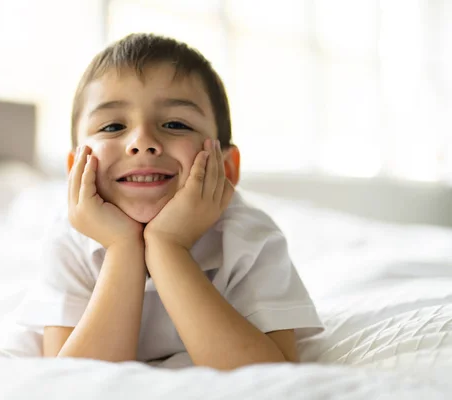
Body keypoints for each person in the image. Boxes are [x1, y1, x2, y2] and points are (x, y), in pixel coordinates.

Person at [16, 33, 323, 370]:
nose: (142, 141)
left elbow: (274, 376)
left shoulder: (249, 237)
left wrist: (167, 246)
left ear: (226, 168)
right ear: (75, 170)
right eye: (113, 125)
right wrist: (122, 248)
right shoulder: (70, 240)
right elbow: (70, 382)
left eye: (175, 124)